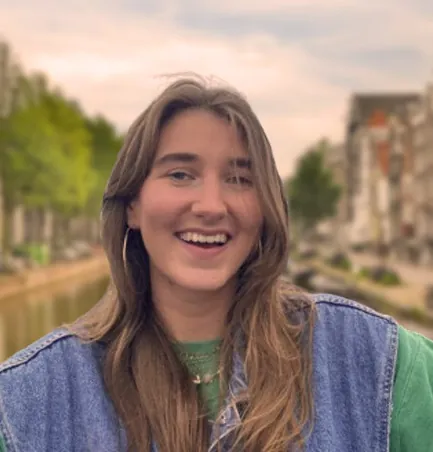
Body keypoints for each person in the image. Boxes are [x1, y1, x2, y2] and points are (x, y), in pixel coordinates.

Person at [0, 76, 432, 452]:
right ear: (132, 204)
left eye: (239, 179)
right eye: (180, 174)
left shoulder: (377, 361)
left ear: (265, 208)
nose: (210, 206)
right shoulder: (24, 403)